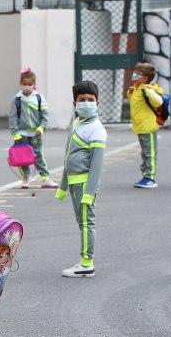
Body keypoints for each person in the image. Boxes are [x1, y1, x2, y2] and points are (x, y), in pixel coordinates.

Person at [57, 81, 106, 277]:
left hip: (85, 184)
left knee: (87, 223)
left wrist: (89, 192)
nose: (86, 103)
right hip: (74, 183)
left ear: (97, 102)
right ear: (74, 103)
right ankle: (85, 261)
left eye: (91, 100)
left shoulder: (97, 129)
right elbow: (68, 156)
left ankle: (86, 263)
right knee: (82, 222)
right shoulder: (76, 124)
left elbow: (97, 165)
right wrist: (62, 185)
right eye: (82, 100)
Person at [8, 67, 56, 188]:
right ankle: (25, 179)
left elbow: (45, 115)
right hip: (21, 134)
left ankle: (45, 178)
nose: (27, 87)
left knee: (38, 156)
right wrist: (15, 133)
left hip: (36, 134)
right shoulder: (17, 100)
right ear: (21, 84)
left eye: (30, 84)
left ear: (34, 85)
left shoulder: (39, 98)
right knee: (23, 158)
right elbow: (12, 118)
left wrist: (41, 128)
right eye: (24, 84)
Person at [127, 62, 165, 188]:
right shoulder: (136, 88)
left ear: (145, 78)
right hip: (140, 127)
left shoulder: (148, 89)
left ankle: (150, 178)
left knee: (150, 153)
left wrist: (148, 90)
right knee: (144, 153)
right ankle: (145, 174)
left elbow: (158, 101)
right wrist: (131, 91)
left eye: (138, 73)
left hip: (148, 127)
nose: (135, 75)